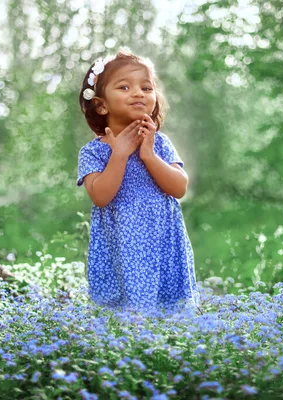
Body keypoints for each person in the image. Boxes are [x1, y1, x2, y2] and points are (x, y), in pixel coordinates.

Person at [76, 50, 200, 312]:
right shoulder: (94, 152)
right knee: (125, 315)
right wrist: (119, 155)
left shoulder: (159, 143)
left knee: (171, 312)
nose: (139, 93)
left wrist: (149, 155)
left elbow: (179, 188)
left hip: (162, 241)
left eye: (146, 87)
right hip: (122, 246)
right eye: (124, 87)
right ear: (101, 105)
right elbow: (100, 196)